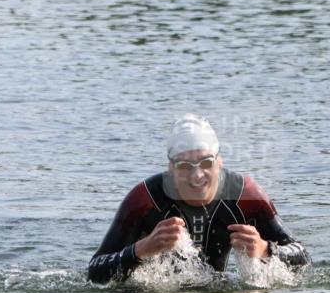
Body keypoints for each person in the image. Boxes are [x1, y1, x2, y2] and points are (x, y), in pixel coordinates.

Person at [88, 114, 310, 284]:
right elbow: (94, 273)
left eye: (205, 163)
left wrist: (265, 249)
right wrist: (142, 250)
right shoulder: (145, 199)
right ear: (171, 169)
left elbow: (304, 258)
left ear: (219, 162)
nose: (196, 175)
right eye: (185, 166)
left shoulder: (246, 196)